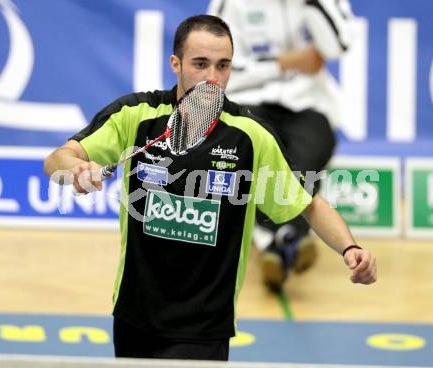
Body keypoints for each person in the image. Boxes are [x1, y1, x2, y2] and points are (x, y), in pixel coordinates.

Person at [44, 15, 376, 361]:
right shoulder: (136, 115)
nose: (213, 78)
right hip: (134, 314)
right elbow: (59, 158)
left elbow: (308, 203)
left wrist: (350, 248)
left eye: (223, 66)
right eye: (201, 64)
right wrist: (76, 170)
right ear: (176, 63)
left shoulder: (250, 137)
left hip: (204, 327)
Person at [208, 0, 356, 291]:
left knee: (309, 156)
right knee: (261, 155)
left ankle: (273, 243)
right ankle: (291, 236)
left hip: (308, 103)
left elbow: (337, 45)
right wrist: (285, 63)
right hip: (249, 98)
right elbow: (219, 63)